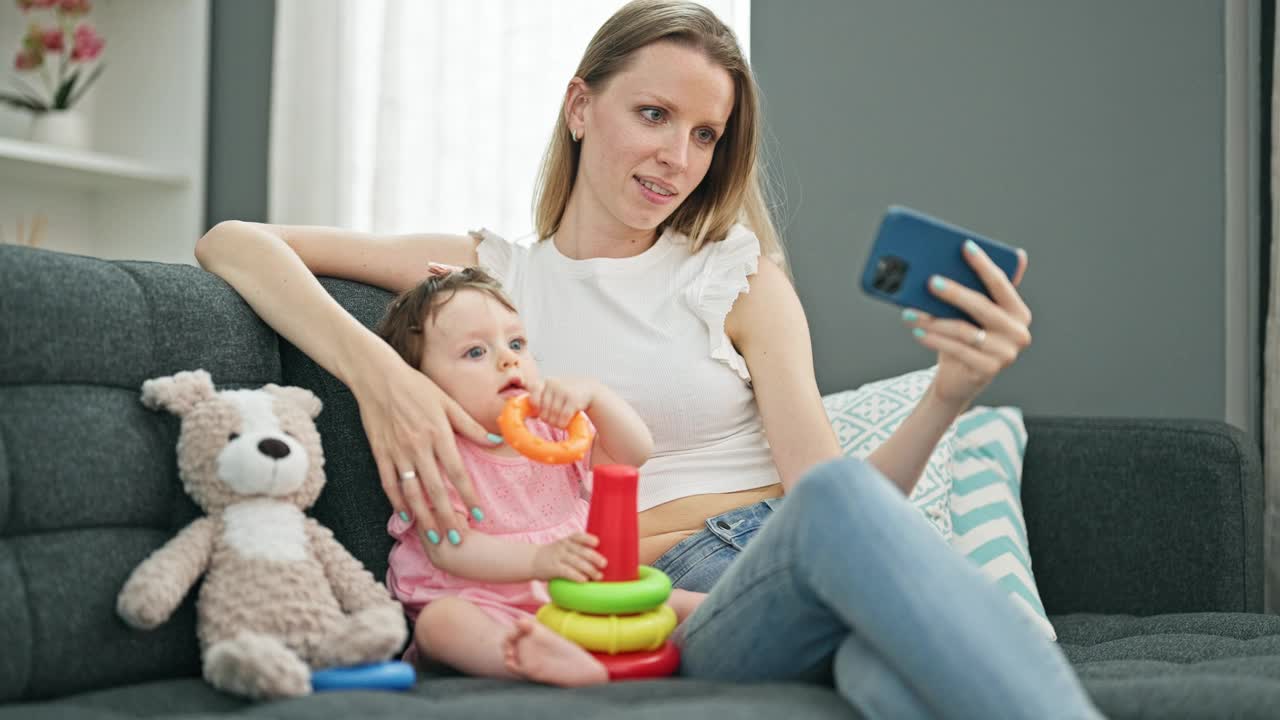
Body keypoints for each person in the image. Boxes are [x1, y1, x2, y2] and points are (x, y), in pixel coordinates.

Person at [195, 0, 1101, 716]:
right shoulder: (492, 276)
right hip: (651, 594)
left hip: (785, 548)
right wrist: (380, 373)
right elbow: (235, 242)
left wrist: (949, 393)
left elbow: (836, 495)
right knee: (862, 636)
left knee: (865, 628)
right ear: (581, 105)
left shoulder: (735, 279)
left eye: (704, 135)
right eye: (655, 114)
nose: (677, 157)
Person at [373, 264, 702, 686]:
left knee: (679, 602)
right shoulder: (433, 451)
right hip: (480, 602)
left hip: (572, 596)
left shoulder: (552, 428)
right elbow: (450, 551)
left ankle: (735, 620)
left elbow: (633, 453)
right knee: (442, 624)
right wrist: (538, 560)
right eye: (476, 352)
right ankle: (524, 656)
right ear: (419, 385)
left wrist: (596, 396)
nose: (509, 358)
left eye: (516, 342)